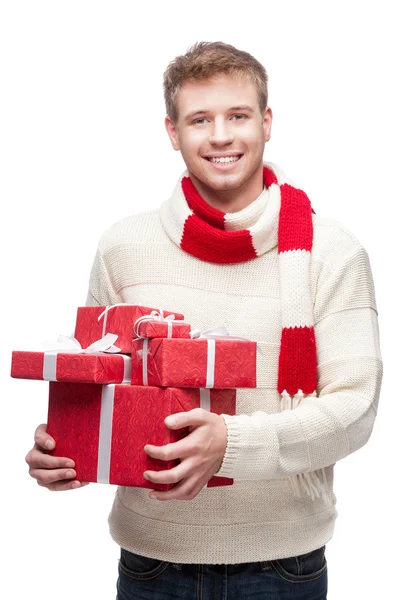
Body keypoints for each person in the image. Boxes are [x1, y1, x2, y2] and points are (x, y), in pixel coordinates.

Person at [25, 41, 383, 599]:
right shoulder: (124, 247)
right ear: (172, 132)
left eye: (237, 116)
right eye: (199, 119)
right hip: (151, 564)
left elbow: (355, 407)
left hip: (282, 567)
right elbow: (100, 383)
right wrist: (66, 445)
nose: (220, 136)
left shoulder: (331, 252)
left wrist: (232, 444)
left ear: (266, 123)